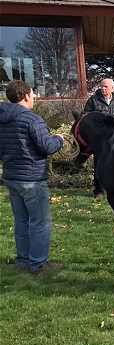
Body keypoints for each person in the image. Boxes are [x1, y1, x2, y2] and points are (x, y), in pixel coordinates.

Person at [0, 80, 65, 273]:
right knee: (39, 222)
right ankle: (38, 264)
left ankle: (24, 262)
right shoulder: (32, 119)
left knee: (21, 221)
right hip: (32, 179)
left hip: (11, 177)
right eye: (32, 94)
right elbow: (47, 147)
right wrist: (59, 139)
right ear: (26, 96)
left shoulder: (2, 119)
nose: (34, 98)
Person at [83, 78, 114, 200]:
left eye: (106, 87)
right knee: (99, 165)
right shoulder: (93, 101)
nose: (103, 88)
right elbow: (85, 119)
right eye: (102, 86)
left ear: (112, 88)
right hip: (100, 141)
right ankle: (99, 191)